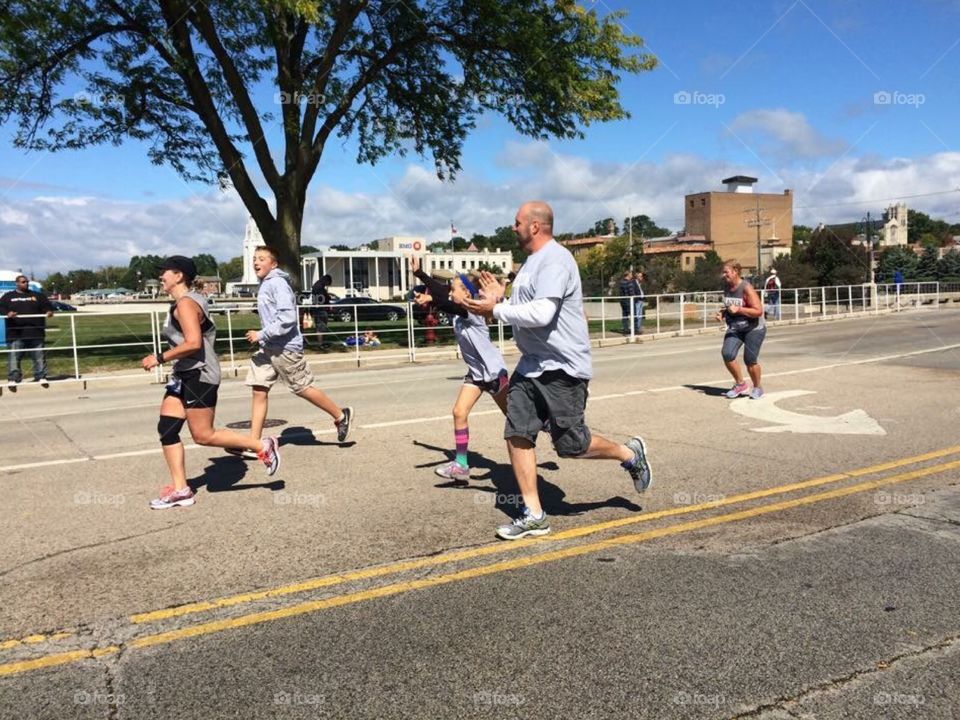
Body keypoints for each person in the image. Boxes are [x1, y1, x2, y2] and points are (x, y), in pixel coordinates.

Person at [464, 201, 652, 540]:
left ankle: (629, 453)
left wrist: (498, 308)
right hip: (532, 365)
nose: (513, 227)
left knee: (571, 445)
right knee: (517, 432)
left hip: (563, 367)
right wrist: (499, 296)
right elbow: (524, 308)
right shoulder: (532, 264)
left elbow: (542, 314)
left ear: (535, 226)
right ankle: (534, 513)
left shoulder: (556, 259)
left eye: (517, 221)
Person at [141, 256, 280, 509]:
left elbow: (193, 343)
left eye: (164, 272)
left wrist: (159, 358)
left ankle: (261, 444)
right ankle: (181, 489)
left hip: (200, 374)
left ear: (179, 275)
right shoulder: (187, 301)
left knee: (203, 436)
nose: (161, 277)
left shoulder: (185, 304)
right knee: (167, 429)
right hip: (184, 373)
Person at [238, 246, 353, 459]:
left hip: (285, 348)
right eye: (255, 258)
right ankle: (255, 444)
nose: (256, 262)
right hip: (269, 347)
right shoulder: (265, 283)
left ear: (274, 264)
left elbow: (288, 319)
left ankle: (340, 415)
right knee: (259, 389)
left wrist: (261, 334)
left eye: (261, 259)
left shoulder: (278, 284)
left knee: (301, 388)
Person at [411, 257, 509, 482]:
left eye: (454, 289)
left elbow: (446, 301)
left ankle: (549, 427)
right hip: (476, 374)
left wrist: (424, 281)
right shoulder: (460, 306)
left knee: (517, 419)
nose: (449, 291)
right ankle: (461, 465)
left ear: (466, 293)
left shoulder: (472, 310)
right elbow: (444, 295)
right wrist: (426, 287)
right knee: (459, 413)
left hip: (494, 374)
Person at [716, 260, 766, 400]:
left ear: (735, 271)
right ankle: (740, 384)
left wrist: (739, 309)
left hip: (753, 328)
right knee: (727, 354)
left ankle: (757, 388)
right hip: (735, 327)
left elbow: (758, 311)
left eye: (726, 272)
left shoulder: (746, 288)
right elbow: (729, 305)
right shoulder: (727, 286)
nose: (723, 275)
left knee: (750, 360)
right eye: (723, 272)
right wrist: (723, 313)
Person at [1, 274, 54, 390]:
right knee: (14, 357)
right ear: (17, 283)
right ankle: (13, 379)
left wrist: (49, 311)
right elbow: (1, 308)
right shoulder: (8, 296)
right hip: (15, 333)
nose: (26, 283)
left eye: (27, 282)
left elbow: (47, 307)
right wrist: (8, 313)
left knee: (39, 356)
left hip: (35, 332)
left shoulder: (37, 296)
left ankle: (41, 376)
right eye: (23, 282)